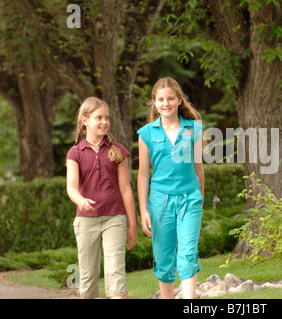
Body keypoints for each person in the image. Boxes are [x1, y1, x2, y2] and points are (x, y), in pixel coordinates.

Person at [137, 77, 204, 299]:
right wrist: (144, 210)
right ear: (154, 103)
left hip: (189, 199)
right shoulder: (146, 133)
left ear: (179, 100)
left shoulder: (193, 129)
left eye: (170, 99)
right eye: (161, 99)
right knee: (164, 257)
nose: (166, 103)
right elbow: (144, 173)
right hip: (159, 202)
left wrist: (200, 197)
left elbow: (198, 166)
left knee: (187, 254)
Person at [66, 97, 137, 299]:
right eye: (99, 117)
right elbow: (71, 187)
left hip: (115, 218)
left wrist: (132, 225)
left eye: (107, 117)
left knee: (115, 271)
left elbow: (126, 190)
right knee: (87, 277)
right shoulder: (74, 153)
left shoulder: (118, 152)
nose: (104, 122)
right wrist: (81, 200)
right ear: (85, 120)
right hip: (85, 221)